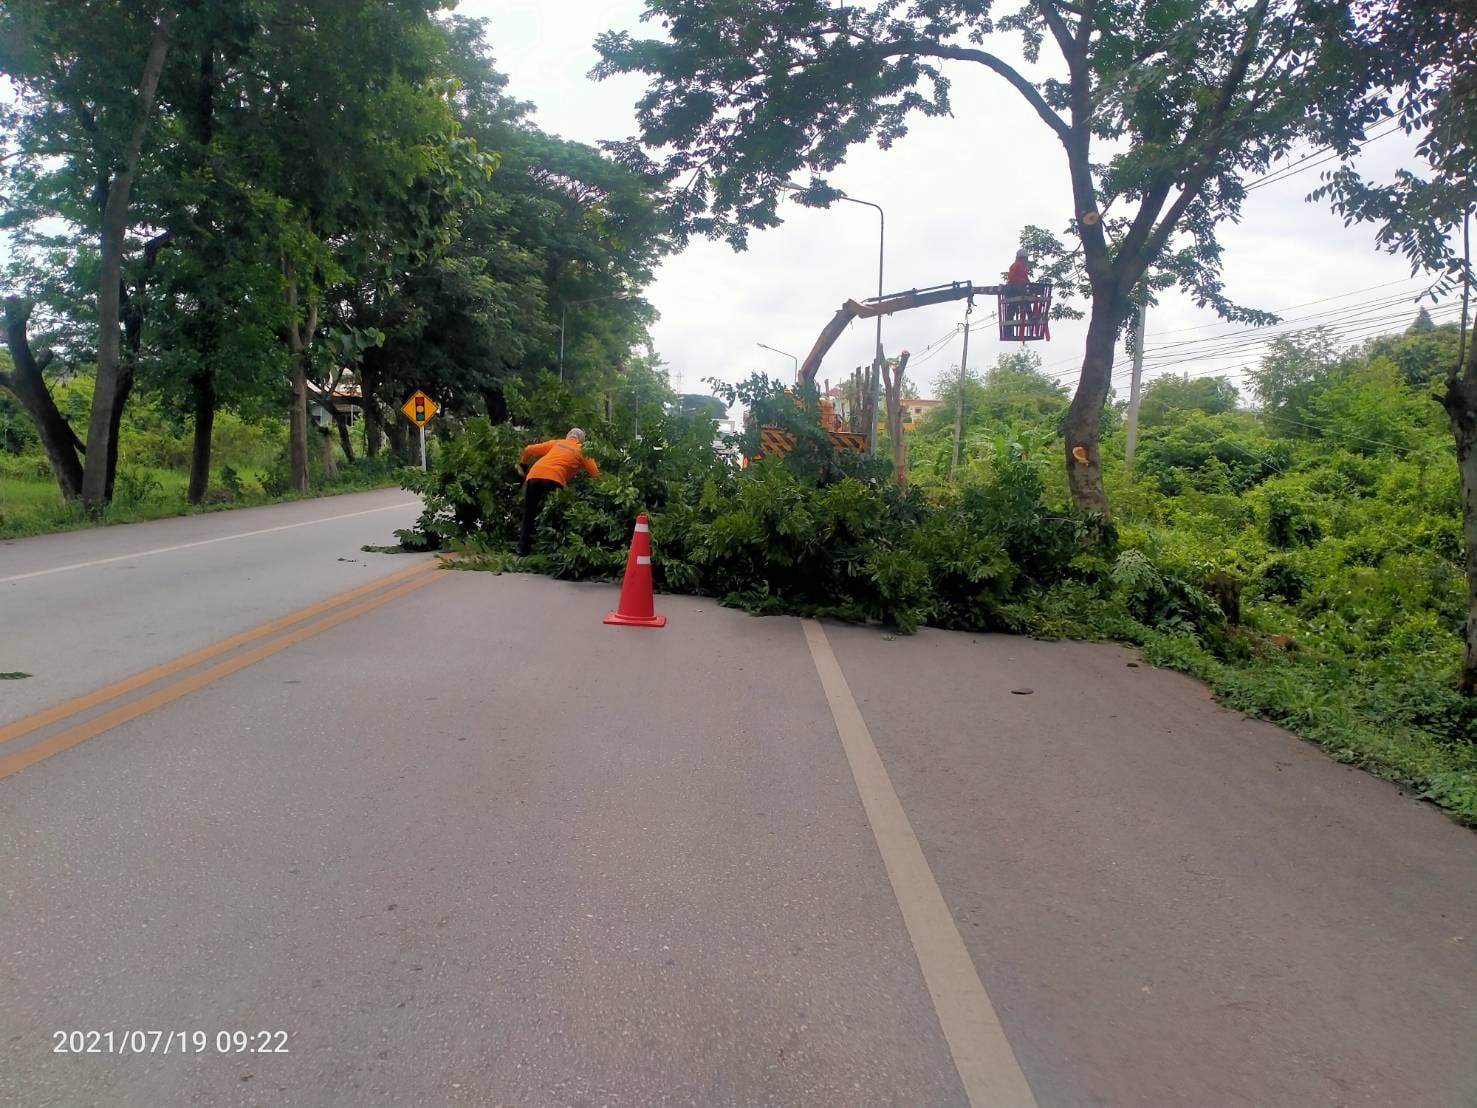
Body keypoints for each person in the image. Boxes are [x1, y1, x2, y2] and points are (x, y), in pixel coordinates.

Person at [517, 427, 600, 556]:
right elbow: (596, 475)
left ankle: (523, 551)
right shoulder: (583, 450)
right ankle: (553, 551)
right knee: (558, 515)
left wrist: (523, 464)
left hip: (534, 475)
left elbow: (528, 450)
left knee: (529, 513)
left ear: (567, 436)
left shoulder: (557, 443)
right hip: (554, 479)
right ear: (581, 440)